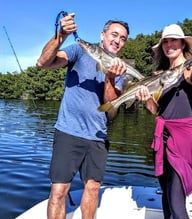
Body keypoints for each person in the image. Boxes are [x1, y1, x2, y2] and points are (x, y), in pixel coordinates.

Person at [36, 13, 130, 219]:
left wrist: (111, 77)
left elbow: (109, 101)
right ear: (102, 35)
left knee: (93, 189)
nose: (117, 40)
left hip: (97, 135)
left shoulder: (120, 68)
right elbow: (43, 62)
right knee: (59, 191)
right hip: (68, 132)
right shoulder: (79, 50)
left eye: (123, 38)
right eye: (114, 34)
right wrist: (60, 35)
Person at [136, 24, 192, 219]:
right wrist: (146, 98)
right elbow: (157, 111)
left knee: (175, 200)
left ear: (182, 44)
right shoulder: (159, 74)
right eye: (165, 41)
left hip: (182, 137)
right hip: (162, 135)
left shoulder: (190, 71)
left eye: (173, 40)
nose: (169, 44)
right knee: (166, 195)